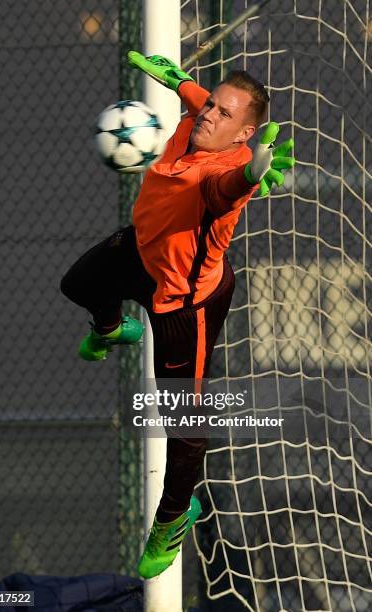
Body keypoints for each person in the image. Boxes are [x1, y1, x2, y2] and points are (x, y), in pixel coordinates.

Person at [60, 52, 295, 579]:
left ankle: (172, 519)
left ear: (245, 135)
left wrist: (254, 169)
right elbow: (194, 93)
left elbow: (230, 189)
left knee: (182, 424)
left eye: (225, 114)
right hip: (144, 253)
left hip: (185, 303)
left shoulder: (226, 169)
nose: (211, 114)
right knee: (77, 283)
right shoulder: (200, 116)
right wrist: (184, 81)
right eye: (212, 103)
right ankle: (112, 327)